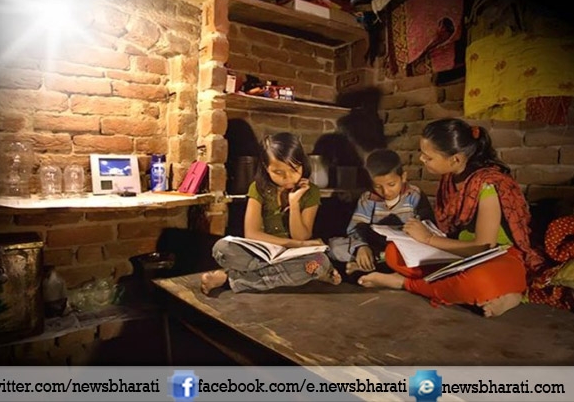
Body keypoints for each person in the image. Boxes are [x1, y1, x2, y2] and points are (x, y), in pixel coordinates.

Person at [358, 118, 546, 318]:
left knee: (479, 281)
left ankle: (405, 283)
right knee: (393, 253)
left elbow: (483, 247)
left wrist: (427, 239)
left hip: (496, 256)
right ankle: (494, 291)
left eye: (428, 157)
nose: (421, 159)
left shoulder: (487, 185)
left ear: (455, 159)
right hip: (458, 253)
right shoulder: (450, 179)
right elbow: (450, 234)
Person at [201, 132, 342, 295]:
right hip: (262, 253)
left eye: (294, 169)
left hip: (293, 256)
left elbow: (301, 236)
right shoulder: (258, 188)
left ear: (302, 163)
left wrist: (294, 204)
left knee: (319, 262)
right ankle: (302, 276)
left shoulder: (311, 192)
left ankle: (230, 279)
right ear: (266, 167)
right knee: (222, 249)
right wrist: (296, 244)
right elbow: (251, 233)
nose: (288, 177)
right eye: (278, 172)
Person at [328, 148, 435, 276]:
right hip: (375, 246)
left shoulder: (414, 195)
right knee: (335, 247)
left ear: (403, 177)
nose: (386, 192)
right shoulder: (368, 198)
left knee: (423, 253)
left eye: (391, 184)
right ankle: (373, 264)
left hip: (403, 248)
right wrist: (361, 246)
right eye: (378, 186)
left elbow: (427, 225)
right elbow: (356, 227)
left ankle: (367, 266)